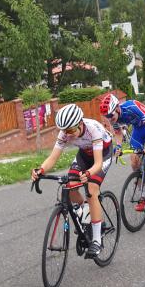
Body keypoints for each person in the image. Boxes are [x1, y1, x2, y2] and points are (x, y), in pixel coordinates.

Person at [32, 104, 112, 258]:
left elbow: (97, 164)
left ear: (80, 123)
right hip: (84, 154)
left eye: (70, 130)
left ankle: (96, 241)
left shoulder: (93, 129)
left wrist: (88, 173)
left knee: (91, 190)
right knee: (70, 186)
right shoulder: (65, 132)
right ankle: (85, 211)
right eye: (64, 131)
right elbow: (53, 158)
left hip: (103, 154)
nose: (68, 134)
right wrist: (40, 170)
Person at [100, 92, 145, 212]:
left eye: (110, 115)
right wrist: (118, 146)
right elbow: (118, 132)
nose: (109, 119)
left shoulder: (131, 107)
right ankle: (144, 195)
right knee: (134, 162)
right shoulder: (113, 119)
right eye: (106, 116)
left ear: (117, 108)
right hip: (138, 130)